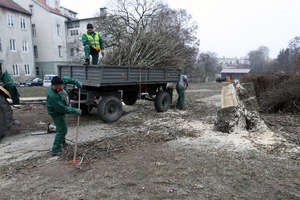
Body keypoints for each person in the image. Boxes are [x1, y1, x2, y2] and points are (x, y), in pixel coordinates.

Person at [46, 76, 82, 156]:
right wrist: (75, 110)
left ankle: (62, 143)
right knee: (62, 130)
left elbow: (67, 79)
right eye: (60, 87)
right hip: (55, 112)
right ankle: (55, 149)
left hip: (60, 108)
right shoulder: (53, 96)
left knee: (62, 127)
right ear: (55, 86)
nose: (62, 88)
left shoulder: (60, 82)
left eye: (62, 86)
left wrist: (77, 82)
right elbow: (62, 109)